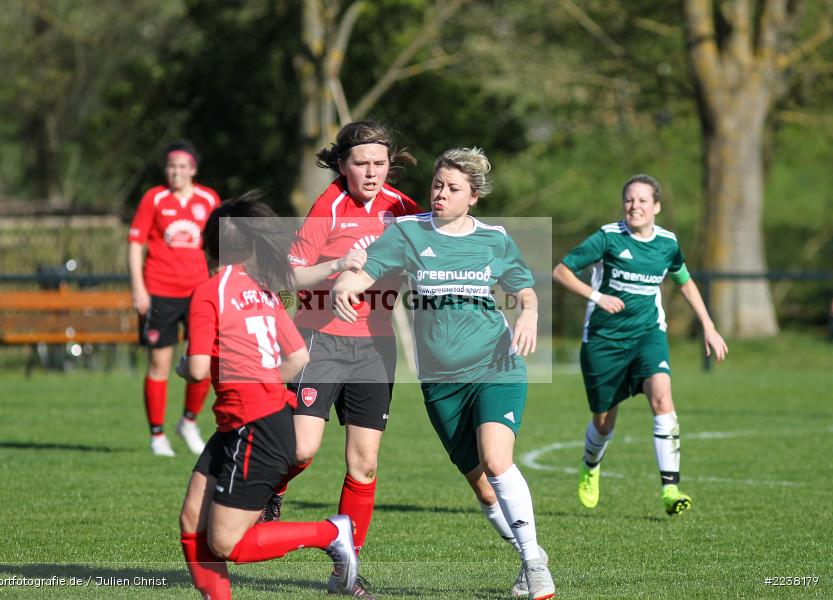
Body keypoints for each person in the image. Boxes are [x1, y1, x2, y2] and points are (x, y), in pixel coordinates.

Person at [331, 147, 555, 600]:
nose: (440, 194)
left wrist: (528, 313)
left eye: (453, 189)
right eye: (437, 184)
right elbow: (366, 270)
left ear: (472, 196)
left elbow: (524, 290)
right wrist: (344, 285)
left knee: (496, 460)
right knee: (484, 489)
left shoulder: (494, 239)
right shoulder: (409, 233)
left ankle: (535, 567)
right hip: (440, 383)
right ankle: (531, 554)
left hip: (496, 367)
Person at [176, 195, 359, 600]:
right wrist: (260, 385)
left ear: (209, 244)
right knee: (192, 519)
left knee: (226, 543)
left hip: (253, 426)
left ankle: (330, 533)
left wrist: (184, 366)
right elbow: (297, 357)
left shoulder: (209, 292)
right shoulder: (264, 290)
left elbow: (198, 370)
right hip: (254, 419)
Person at [267, 120, 421, 598]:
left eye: (380, 163)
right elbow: (291, 278)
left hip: (375, 348)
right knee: (301, 451)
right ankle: (270, 487)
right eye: (361, 164)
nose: (371, 172)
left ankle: (346, 572)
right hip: (322, 342)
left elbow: (427, 255)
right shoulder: (328, 206)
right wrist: (335, 268)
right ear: (342, 165)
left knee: (364, 465)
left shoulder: (404, 209)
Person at [552, 174, 728, 516]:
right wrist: (597, 296)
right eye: (629, 200)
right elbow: (561, 271)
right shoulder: (607, 237)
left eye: (643, 200)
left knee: (662, 397)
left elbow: (685, 282)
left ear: (656, 207)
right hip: (603, 340)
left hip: (648, 334)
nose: (635, 206)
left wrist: (709, 326)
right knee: (604, 422)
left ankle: (670, 488)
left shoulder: (667, 243)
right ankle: (590, 465)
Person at [128, 141, 220, 456]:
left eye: (182, 166)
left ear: (193, 169)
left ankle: (189, 422)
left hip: (199, 292)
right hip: (160, 291)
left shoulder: (209, 199)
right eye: (171, 166)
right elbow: (135, 243)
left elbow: (219, 244)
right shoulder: (154, 198)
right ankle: (157, 435)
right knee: (160, 364)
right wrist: (139, 288)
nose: (175, 172)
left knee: (203, 361)